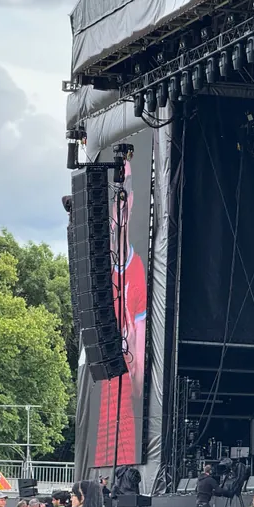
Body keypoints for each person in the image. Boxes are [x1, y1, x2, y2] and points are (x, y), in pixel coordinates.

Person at [95, 159, 148, 467]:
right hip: (107, 388)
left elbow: (139, 373)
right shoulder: (102, 268)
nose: (118, 211)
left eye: (123, 199)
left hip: (123, 389)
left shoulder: (137, 271)